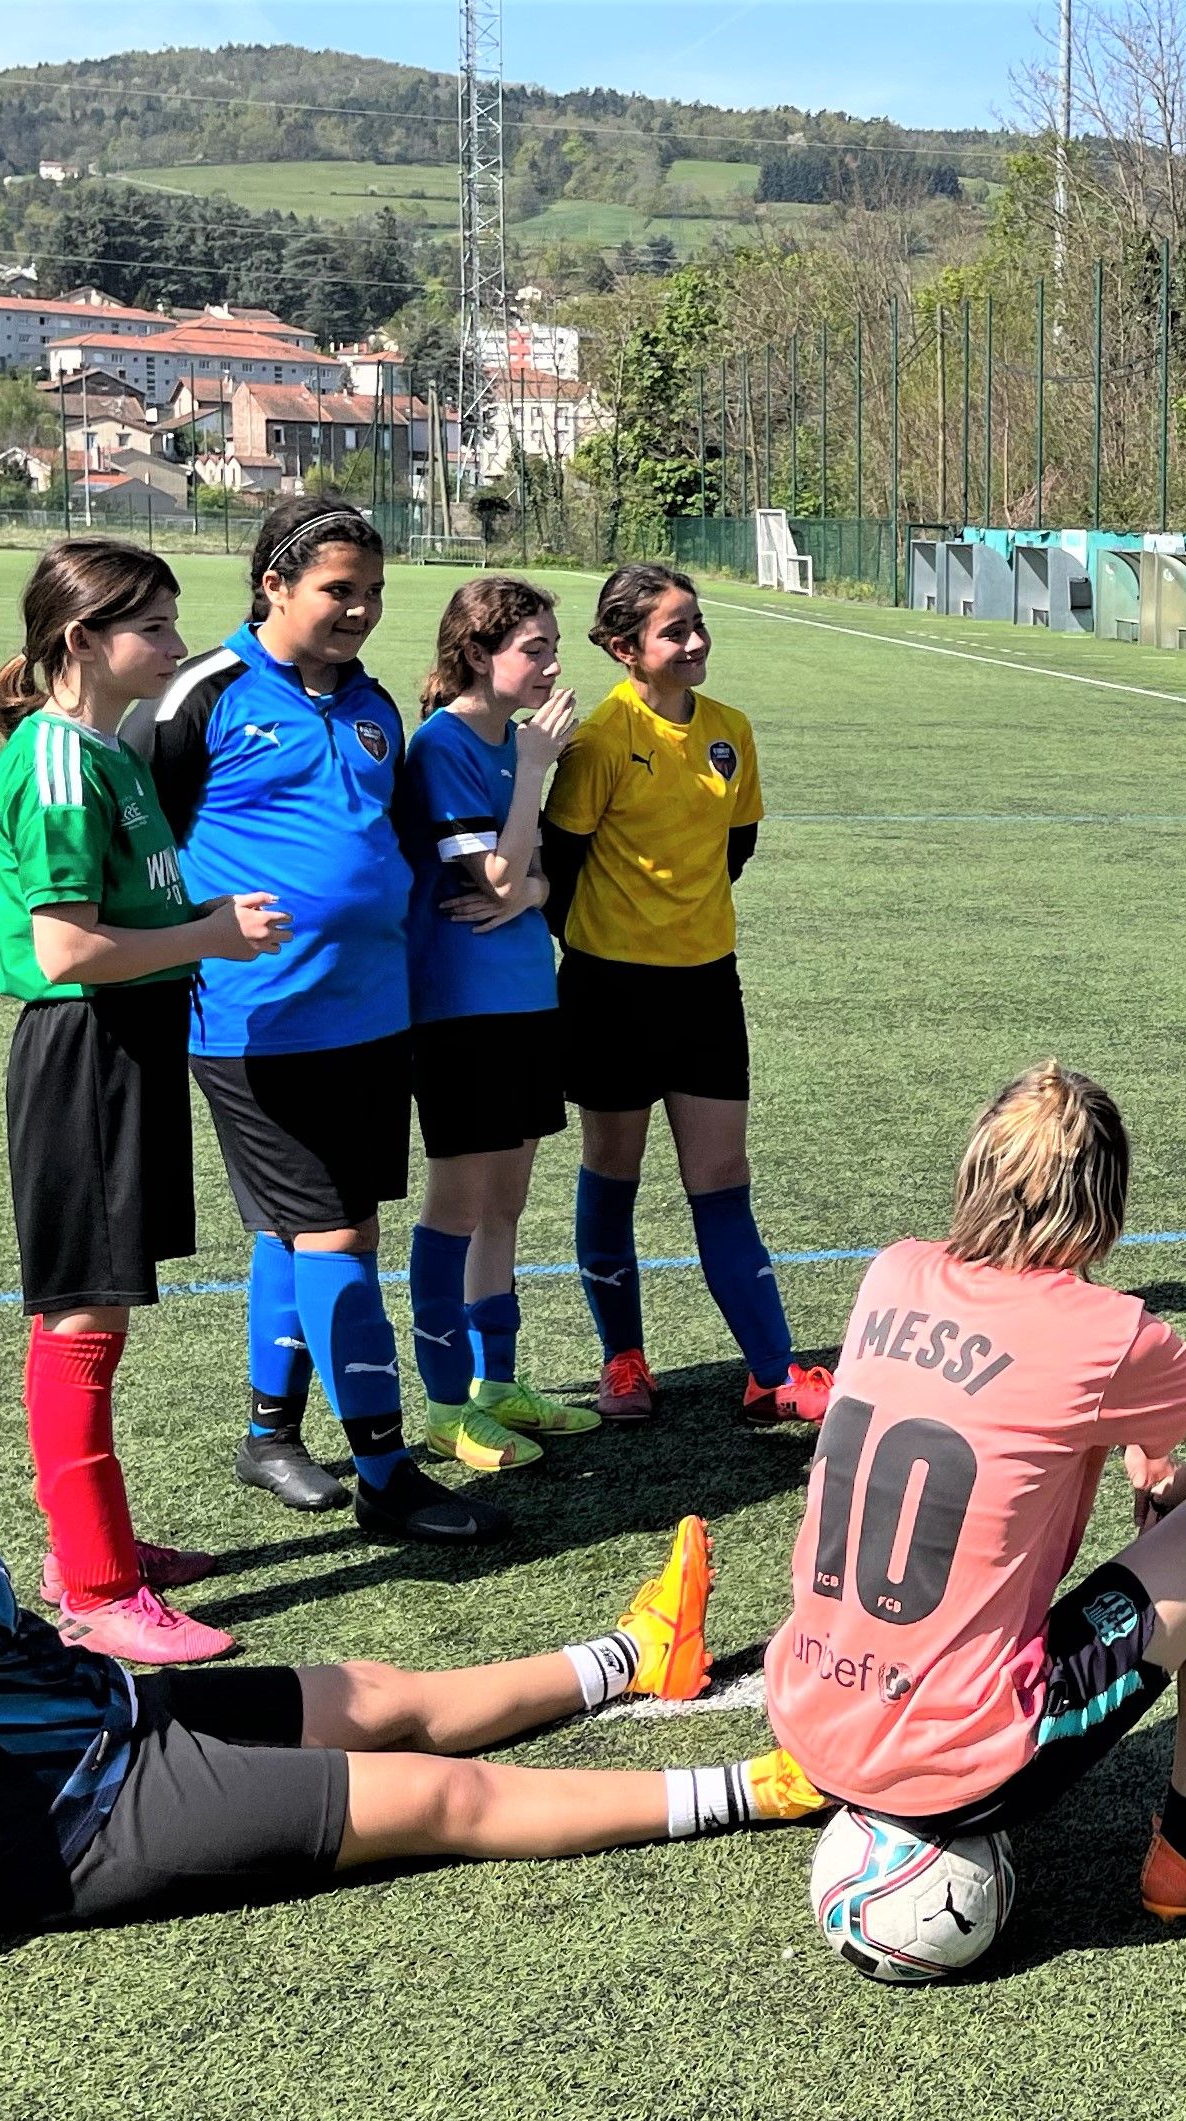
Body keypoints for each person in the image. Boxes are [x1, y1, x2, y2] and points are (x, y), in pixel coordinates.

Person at [0, 1289, 816, 2121]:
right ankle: (754, 1788)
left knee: (377, 1693)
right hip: (67, 1824)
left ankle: (633, 1653)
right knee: (439, 1796)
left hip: (96, 1716)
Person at [762, 1064, 1186, 1921]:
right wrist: (1173, 1486)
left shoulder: (890, 1273)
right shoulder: (1104, 1331)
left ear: (975, 1173)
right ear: (1104, 1210)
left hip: (811, 1719)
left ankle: (870, 1741)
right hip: (951, 1765)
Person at [146, 495, 496, 1542]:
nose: (360, 610)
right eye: (339, 590)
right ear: (275, 585)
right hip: (258, 1021)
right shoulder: (198, 695)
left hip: (372, 1019)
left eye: (374, 593)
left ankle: (270, 1431)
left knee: (306, 1229)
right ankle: (387, 1470)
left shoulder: (377, 706)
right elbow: (143, 846)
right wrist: (198, 933)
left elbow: (386, 839)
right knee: (335, 1234)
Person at [0, 538, 293, 1667]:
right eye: (153, 627)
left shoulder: (103, 752)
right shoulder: (63, 761)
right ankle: (98, 1587)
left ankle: (88, 1544)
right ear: (83, 641)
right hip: (89, 1048)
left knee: (88, 1303)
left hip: (128, 1040)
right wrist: (210, 933)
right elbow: (64, 949)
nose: (174, 645)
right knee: (83, 1311)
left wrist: (200, 920)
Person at [540, 564, 832, 1430]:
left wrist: (681, 923)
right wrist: (617, 936)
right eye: (675, 631)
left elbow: (735, 846)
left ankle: (772, 1372)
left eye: (697, 624)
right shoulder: (600, 740)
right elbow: (559, 869)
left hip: (707, 985)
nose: (696, 641)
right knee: (613, 1170)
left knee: (722, 1178)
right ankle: (623, 1360)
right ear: (627, 649)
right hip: (608, 988)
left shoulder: (730, 732)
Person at [398, 575, 603, 1473]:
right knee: (457, 1209)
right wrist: (529, 777)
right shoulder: (444, 746)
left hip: (529, 1000)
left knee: (509, 1204)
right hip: (462, 1013)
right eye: (536, 649)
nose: (554, 665)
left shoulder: (512, 743)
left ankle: (497, 1384)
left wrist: (532, 888)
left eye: (555, 646)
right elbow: (494, 877)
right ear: (479, 653)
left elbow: (541, 877)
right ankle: (446, 1407)